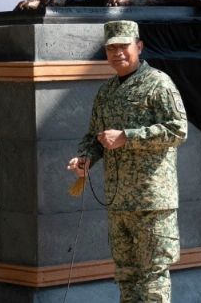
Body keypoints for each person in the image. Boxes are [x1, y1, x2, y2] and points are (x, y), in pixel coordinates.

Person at [67, 20, 188, 302]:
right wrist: (85, 159)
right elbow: (93, 136)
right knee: (126, 274)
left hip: (151, 201)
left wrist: (127, 137)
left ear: (139, 47)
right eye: (111, 48)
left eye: (124, 46)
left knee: (152, 277)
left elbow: (178, 130)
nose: (117, 53)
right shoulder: (106, 92)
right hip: (118, 201)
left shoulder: (158, 83)